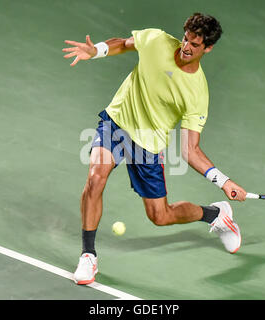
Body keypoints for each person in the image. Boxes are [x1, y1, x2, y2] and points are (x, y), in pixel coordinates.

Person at [63, 13, 247, 285]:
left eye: (195, 45)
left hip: (148, 145)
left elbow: (190, 149)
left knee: (160, 216)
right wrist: (97, 50)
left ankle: (216, 214)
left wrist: (223, 180)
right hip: (117, 122)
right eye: (186, 38)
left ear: (207, 48)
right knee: (95, 178)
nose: (186, 47)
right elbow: (123, 44)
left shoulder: (197, 93)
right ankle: (88, 255)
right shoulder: (157, 40)